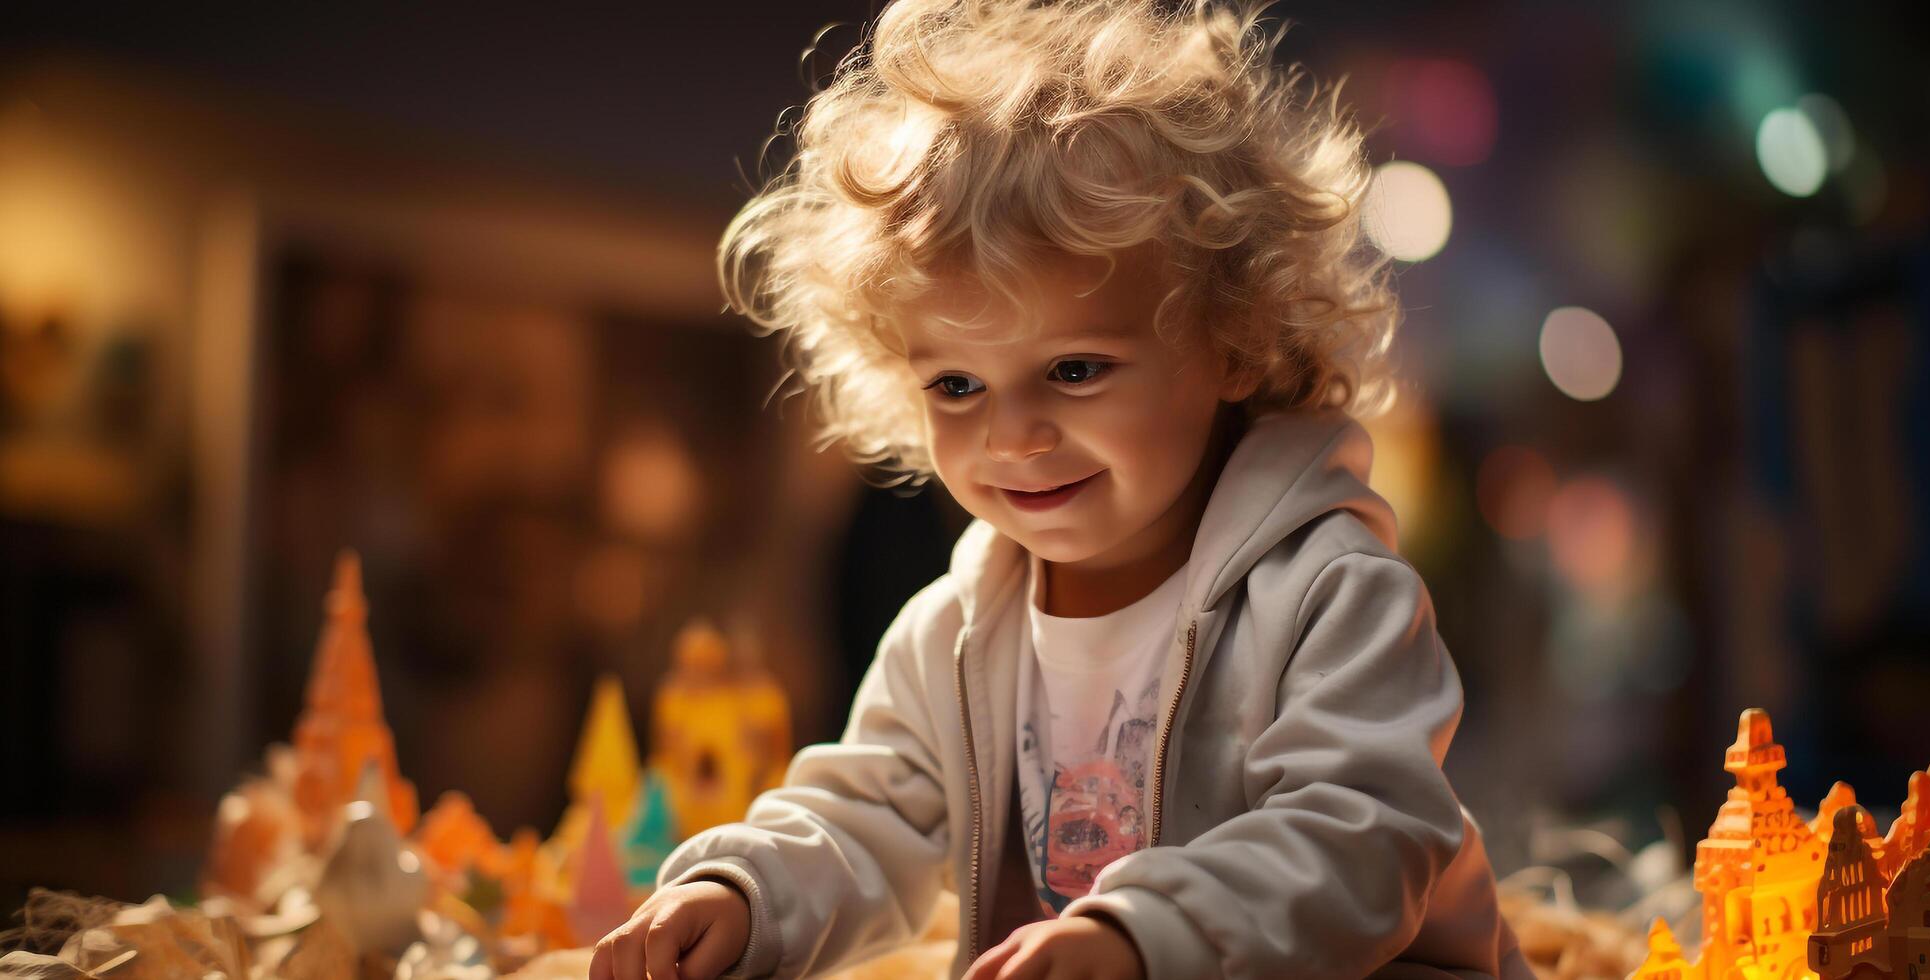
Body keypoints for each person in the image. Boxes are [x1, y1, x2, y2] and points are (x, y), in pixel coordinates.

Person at [592, 0, 1532, 977]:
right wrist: (739, 891)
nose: (1011, 433)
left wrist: (1135, 935)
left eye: (1075, 368)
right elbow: (868, 810)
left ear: (1234, 342)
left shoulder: (1329, 593)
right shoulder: (957, 627)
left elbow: (1361, 842)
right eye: (956, 384)